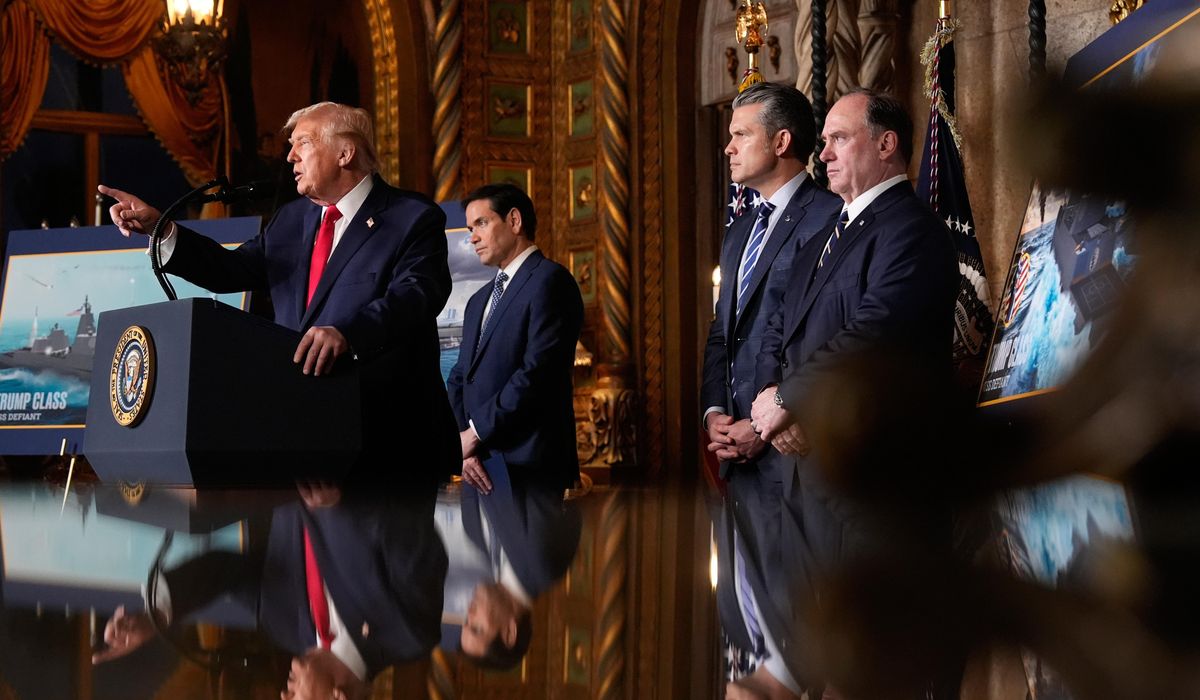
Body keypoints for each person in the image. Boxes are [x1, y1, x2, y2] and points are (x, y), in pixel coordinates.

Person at [98, 101, 459, 481]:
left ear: (345, 153)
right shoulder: (291, 220)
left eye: (303, 143)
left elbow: (417, 295)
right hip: (300, 436)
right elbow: (229, 270)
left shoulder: (411, 217)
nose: (290, 157)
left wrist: (349, 334)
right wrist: (162, 229)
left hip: (387, 441)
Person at [744, 88, 958, 697]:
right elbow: (778, 332)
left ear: (886, 144)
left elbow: (875, 330)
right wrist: (771, 399)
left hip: (876, 486)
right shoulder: (821, 238)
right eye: (825, 141)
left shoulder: (912, 231)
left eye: (839, 138)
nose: (824, 153)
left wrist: (787, 401)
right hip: (805, 481)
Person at [92, 485, 448, 700]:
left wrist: (155, 616)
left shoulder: (283, 628)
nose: (283, 694)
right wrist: (344, 501)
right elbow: (414, 534)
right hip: (363, 435)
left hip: (278, 435)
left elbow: (224, 571)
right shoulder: (408, 633)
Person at [702, 82, 842, 483]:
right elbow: (723, 331)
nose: (728, 148)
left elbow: (823, 333)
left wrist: (762, 424)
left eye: (741, 135)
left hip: (794, 449)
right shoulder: (739, 231)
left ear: (781, 142)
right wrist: (714, 412)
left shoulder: (831, 216)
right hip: (732, 451)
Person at [446, 184, 584, 493]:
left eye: (481, 223)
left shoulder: (551, 281)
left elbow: (537, 373)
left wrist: (475, 434)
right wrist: (463, 443)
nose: (472, 237)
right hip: (477, 465)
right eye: (470, 228)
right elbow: (460, 375)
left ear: (514, 221)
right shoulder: (478, 300)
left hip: (530, 465)